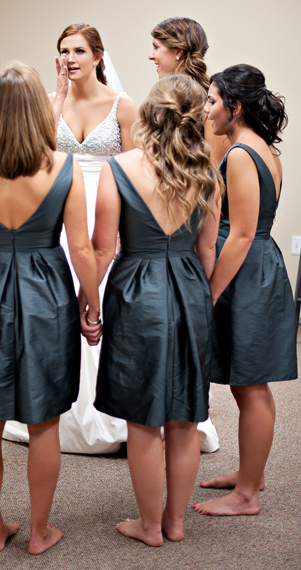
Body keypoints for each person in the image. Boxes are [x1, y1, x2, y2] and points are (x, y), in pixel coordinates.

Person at [0, 62, 102, 554]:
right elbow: (81, 249)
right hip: (46, 289)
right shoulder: (63, 166)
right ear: (37, 112)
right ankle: (39, 531)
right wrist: (92, 305)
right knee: (43, 419)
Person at [91, 74, 221, 546]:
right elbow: (207, 253)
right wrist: (200, 303)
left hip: (136, 293)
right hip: (189, 290)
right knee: (184, 416)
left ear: (149, 113)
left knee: (143, 418)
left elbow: (102, 248)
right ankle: (176, 521)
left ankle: (149, 526)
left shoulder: (120, 168)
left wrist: (88, 302)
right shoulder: (208, 174)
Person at [2, 23, 141, 454]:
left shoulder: (122, 105)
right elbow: (36, 157)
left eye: (79, 50)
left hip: (107, 213)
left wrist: (126, 232)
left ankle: (114, 411)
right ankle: (53, 406)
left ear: (98, 56)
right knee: (58, 308)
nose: (70, 58)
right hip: (58, 215)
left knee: (106, 306)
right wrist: (58, 98)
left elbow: (135, 170)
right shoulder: (50, 103)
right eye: (64, 51)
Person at [193, 64, 298, 517]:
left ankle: (246, 495)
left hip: (245, 272)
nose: (206, 109)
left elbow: (241, 233)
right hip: (258, 265)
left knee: (251, 386)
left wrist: (211, 292)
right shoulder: (265, 148)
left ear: (234, 107)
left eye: (212, 100)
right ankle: (249, 473)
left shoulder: (239, 153)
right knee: (248, 383)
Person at [149, 17, 231, 166]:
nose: (150, 55)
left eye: (156, 47)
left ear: (179, 52)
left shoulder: (209, 101)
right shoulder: (163, 96)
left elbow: (216, 167)